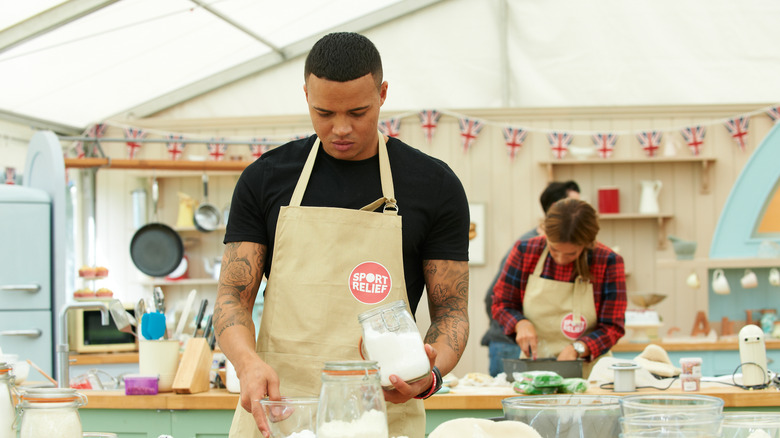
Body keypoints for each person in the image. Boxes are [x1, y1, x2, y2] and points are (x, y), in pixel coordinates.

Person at [214, 32, 470, 438]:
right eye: (324, 113)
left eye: (358, 111)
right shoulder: (264, 179)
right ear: (305, 95)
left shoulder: (434, 185)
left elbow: (451, 312)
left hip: (383, 415)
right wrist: (246, 363)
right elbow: (231, 297)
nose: (340, 129)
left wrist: (430, 374)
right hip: (279, 414)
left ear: (383, 93)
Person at [491, 198, 626, 378]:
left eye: (571, 253)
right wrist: (519, 323)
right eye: (554, 249)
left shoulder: (608, 261)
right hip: (533, 371)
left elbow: (612, 326)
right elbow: (501, 303)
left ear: (587, 243)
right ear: (545, 234)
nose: (561, 259)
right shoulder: (525, 252)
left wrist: (578, 348)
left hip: (591, 375)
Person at [480, 181, 580, 376]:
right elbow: (493, 298)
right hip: (510, 344)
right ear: (555, 209)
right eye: (574, 205)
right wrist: (518, 325)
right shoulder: (527, 246)